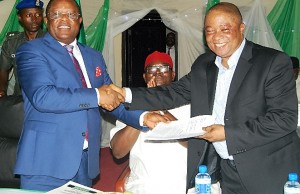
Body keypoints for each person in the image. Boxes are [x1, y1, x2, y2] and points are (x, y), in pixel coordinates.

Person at [111, 2, 300, 194]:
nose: (216, 37)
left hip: (267, 169)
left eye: (225, 29)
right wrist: (123, 93)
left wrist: (227, 133)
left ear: (241, 28)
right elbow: (172, 92)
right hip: (226, 170)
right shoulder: (204, 64)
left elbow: (284, 119)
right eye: (209, 31)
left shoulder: (272, 62)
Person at [14, 0, 167, 191]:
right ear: (46, 20)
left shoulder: (93, 56)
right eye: (56, 14)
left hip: (85, 161)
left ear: (79, 20)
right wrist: (96, 95)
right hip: (46, 161)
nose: (64, 19)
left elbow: (112, 99)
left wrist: (143, 117)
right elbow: (43, 96)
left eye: (70, 14)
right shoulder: (32, 50)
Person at [110, 51, 191, 194]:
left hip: (182, 186)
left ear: (173, 75)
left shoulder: (188, 104)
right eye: (152, 69)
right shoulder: (130, 107)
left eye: (164, 68)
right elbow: (118, 151)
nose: (158, 73)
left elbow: (191, 143)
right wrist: (145, 106)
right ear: (144, 76)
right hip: (143, 187)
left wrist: (159, 104)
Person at [0, 0, 46, 98]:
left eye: (38, 15)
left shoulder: (51, 41)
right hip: (20, 98)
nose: (34, 19)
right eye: (29, 15)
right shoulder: (12, 42)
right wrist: (2, 90)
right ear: (20, 18)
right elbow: (3, 69)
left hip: (46, 97)